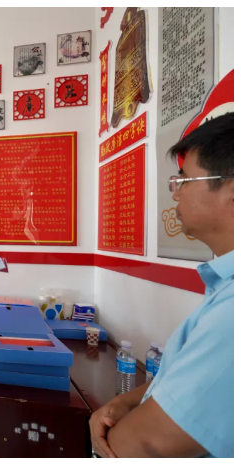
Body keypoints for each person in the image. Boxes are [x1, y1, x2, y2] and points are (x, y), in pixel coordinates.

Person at [89, 113, 234, 458]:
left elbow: (149, 445)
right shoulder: (222, 287)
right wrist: (127, 402)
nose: (175, 193)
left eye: (184, 180)